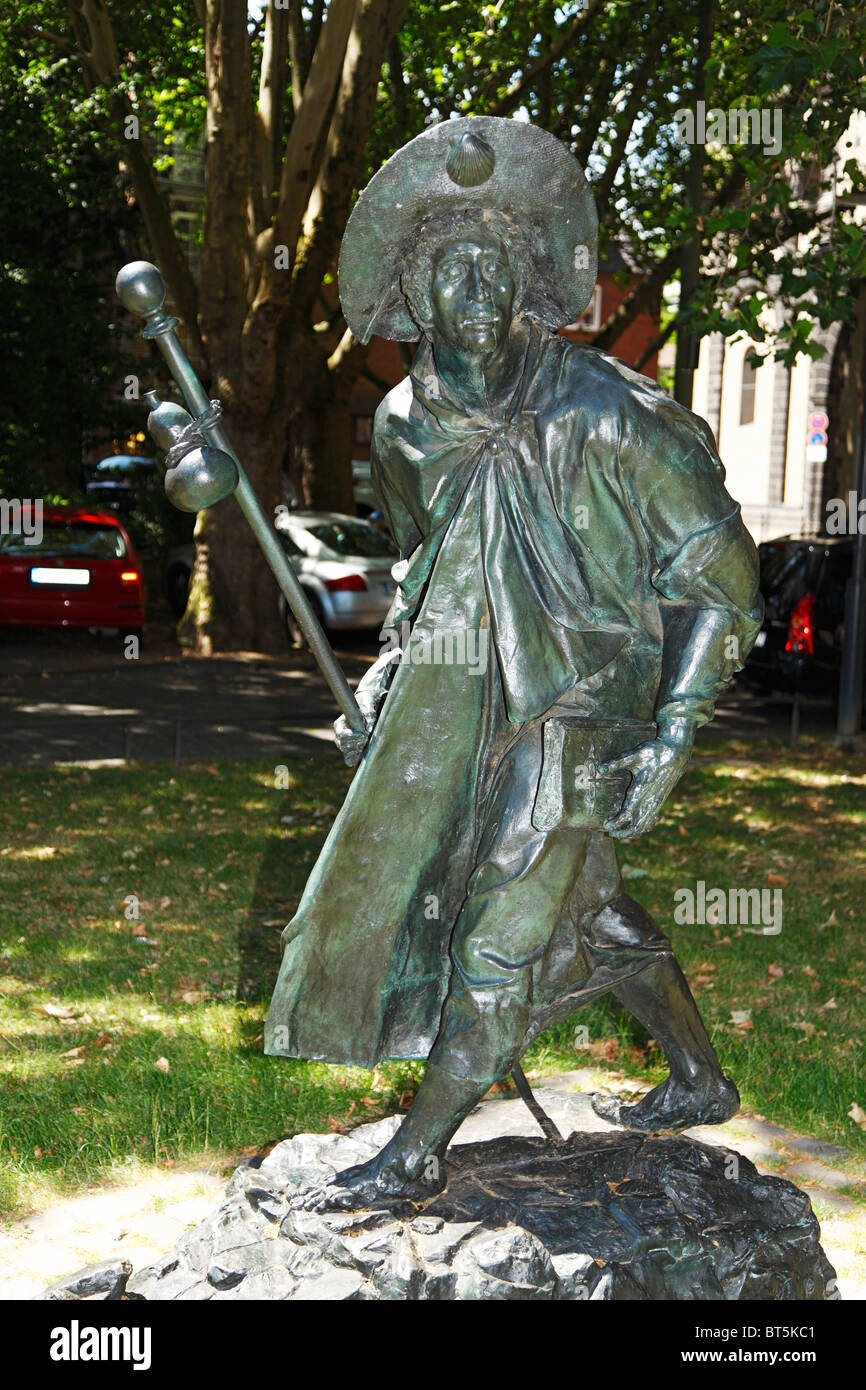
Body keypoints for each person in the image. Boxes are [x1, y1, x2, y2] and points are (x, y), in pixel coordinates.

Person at [265, 118, 762, 1210]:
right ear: (412, 293)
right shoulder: (399, 425)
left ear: (530, 282)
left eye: (499, 268)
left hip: (586, 709)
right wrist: (388, 688)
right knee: (592, 912)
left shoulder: (610, 417)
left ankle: (413, 1153)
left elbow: (720, 577)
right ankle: (699, 1076)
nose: (480, 292)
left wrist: (671, 731)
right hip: (467, 701)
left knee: (498, 929)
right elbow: (423, 576)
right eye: (454, 270)